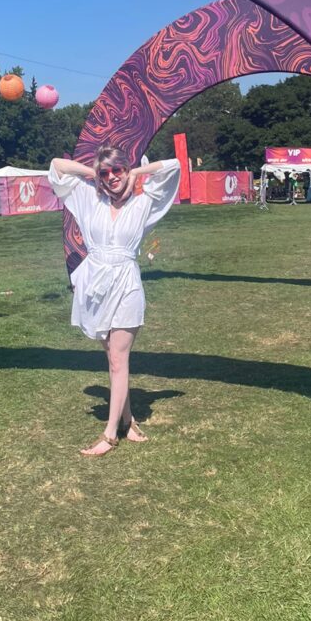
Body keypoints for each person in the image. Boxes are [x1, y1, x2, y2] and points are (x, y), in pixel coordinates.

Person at [50, 145, 182, 456]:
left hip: (126, 286)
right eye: (106, 172)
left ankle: (109, 435)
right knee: (111, 357)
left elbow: (174, 165)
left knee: (117, 359)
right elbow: (56, 166)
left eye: (117, 170)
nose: (112, 177)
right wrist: (91, 173)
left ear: (126, 169)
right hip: (95, 286)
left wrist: (137, 173)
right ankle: (128, 420)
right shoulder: (88, 198)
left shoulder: (144, 202)